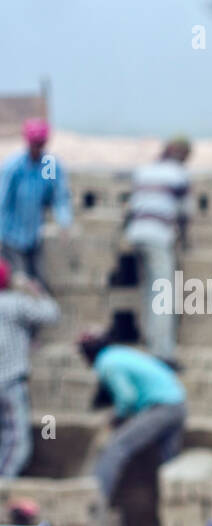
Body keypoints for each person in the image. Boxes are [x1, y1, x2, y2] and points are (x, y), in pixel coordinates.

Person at [78, 332, 187, 501]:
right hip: (178, 403)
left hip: (162, 407)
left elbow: (127, 397)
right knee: (168, 463)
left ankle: (94, 499)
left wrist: (117, 418)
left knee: (115, 447)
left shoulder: (106, 363)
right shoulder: (118, 353)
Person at [123, 135, 192, 362]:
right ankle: (162, 351)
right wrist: (186, 240)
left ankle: (149, 340)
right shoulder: (179, 175)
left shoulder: (144, 171)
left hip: (136, 233)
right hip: (158, 235)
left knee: (149, 290)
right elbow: (185, 213)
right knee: (163, 292)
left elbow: (132, 206)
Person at [0, 260, 60, 477]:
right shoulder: (15, 303)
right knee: (17, 445)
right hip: (10, 383)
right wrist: (36, 291)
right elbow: (52, 313)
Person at [0, 119, 73, 284]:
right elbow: (2, 201)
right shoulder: (14, 167)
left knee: (39, 283)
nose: (37, 147)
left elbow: (58, 196)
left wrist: (64, 221)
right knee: (19, 283)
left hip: (33, 237)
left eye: (40, 143)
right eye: (35, 143)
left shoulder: (48, 165)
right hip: (11, 237)